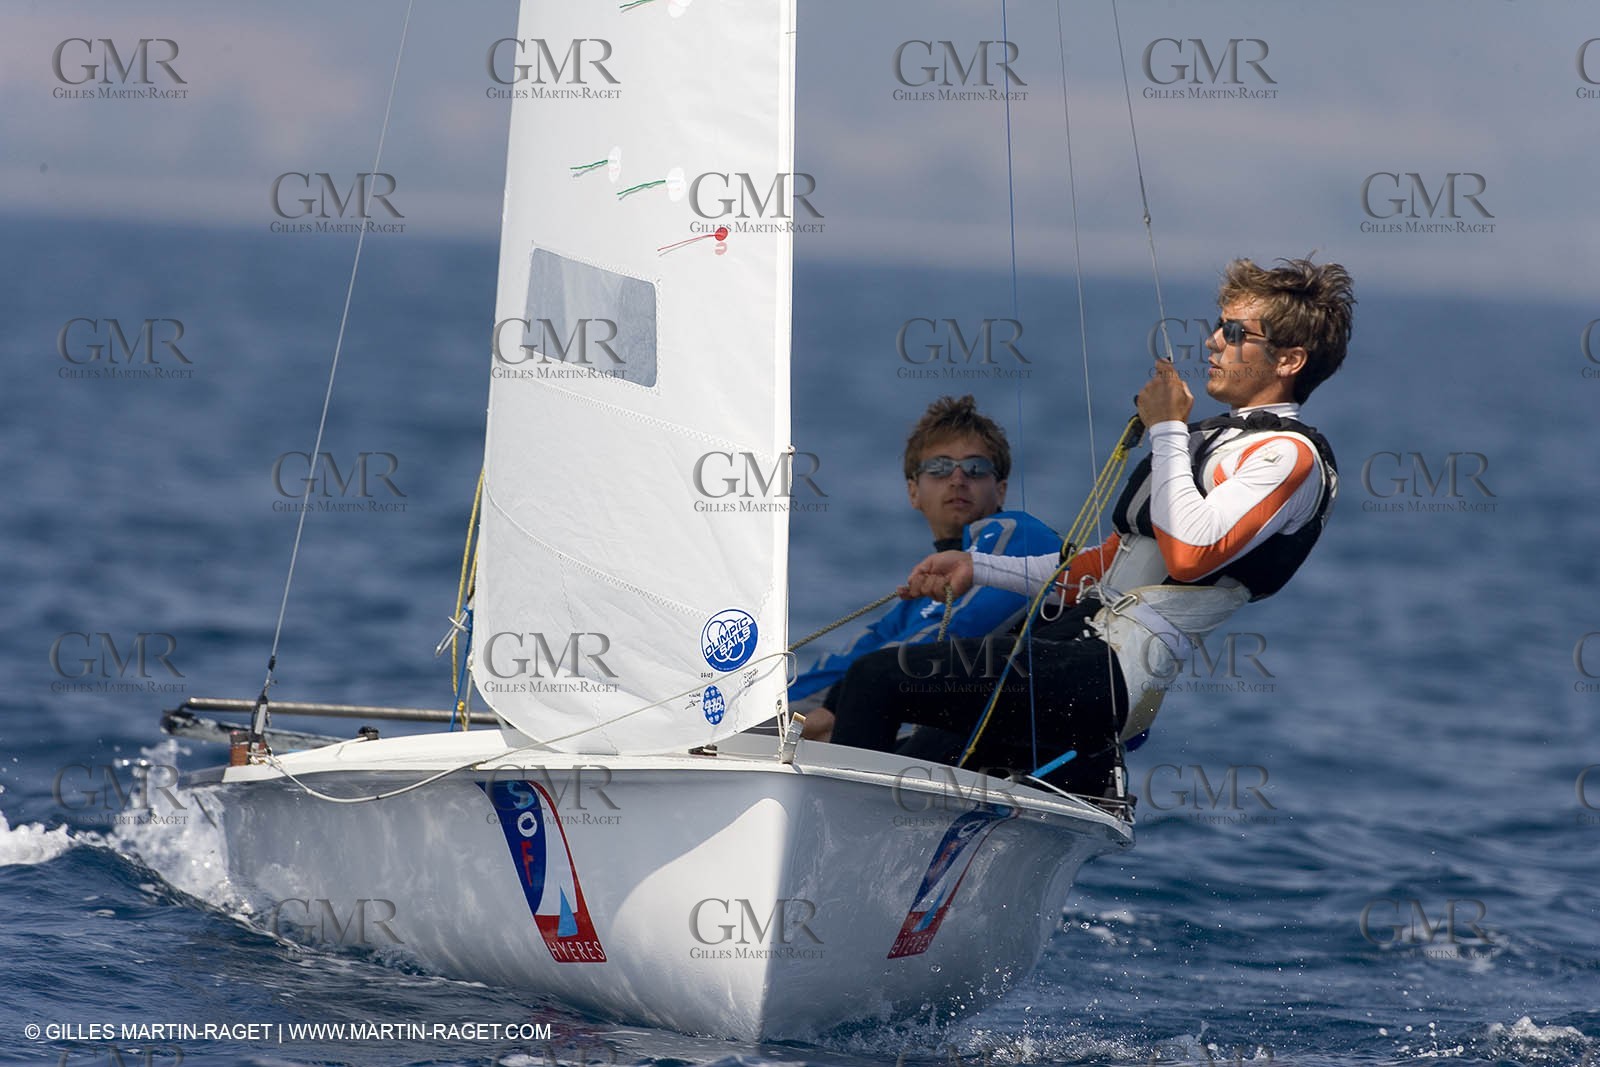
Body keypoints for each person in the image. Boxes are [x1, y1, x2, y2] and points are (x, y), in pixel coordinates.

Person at [826, 257, 1355, 794]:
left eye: (1236, 332)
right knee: (921, 743)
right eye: (1217, 325)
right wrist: (978, 567)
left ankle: (832, 833)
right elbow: (1102, 568)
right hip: (1073, 647)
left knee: (878, 680)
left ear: (1289, 359)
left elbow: (1194, 554)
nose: (1214, 342)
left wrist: (1168, 427)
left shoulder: (1287, 456)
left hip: (1111, 674)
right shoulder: (1208, 439)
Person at [791, 395, 1060, 745]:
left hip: (989, 746)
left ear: (1001, 490)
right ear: (913, 491)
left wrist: (835, 708)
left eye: (976, 468)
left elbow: (964, 626)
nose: (958, 478)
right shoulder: (916, 598)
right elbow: (849, 660)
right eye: (940, 467)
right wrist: (770, 711)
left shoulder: (1021, 535)